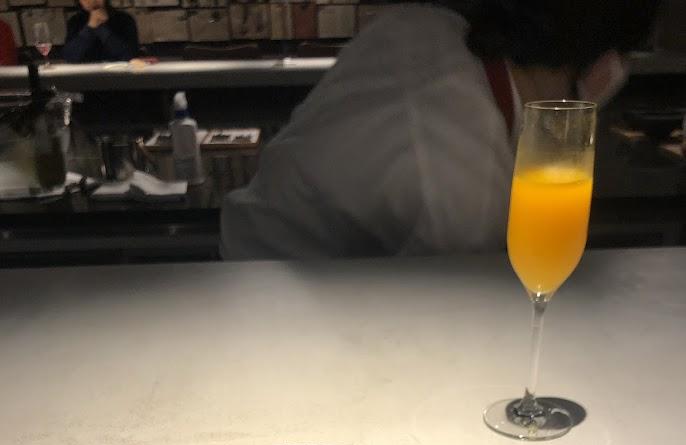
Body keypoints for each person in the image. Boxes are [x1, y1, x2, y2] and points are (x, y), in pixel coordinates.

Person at [220, 0, 660, 260]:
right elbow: (459, 322)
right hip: (283, 300)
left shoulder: (420, 25)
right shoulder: (470, 196)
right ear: (604, 69)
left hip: (248, 257)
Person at [62, 0, 138, 63]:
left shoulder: (124, 19)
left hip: (118, 73)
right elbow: (70, 57)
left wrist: (102, 30)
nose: (91, 1)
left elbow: (130, 56)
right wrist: (90, 27)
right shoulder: (75, 21)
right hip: (85, 74)